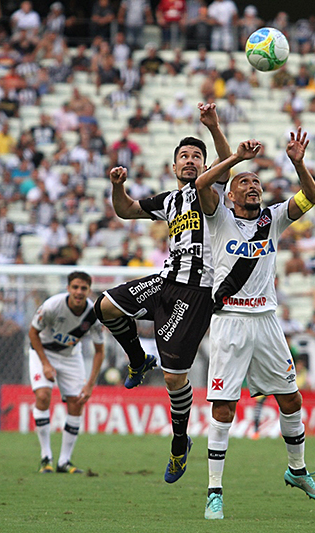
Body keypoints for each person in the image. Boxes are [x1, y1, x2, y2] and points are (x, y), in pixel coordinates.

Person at [94, 103, 231, 484]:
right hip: (165, 281)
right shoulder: (169, 201)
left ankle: (179, 441)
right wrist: (117, 186)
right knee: (105, 307)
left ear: (205, 166)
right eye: (184, 157)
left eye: (196, 157)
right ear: (173, 167)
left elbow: (227, 163)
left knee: (174, 380)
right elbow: (125, 211)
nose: (190, 161)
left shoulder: (213, 193)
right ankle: (138, 361)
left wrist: (214, 127)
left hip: (197, 292)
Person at [193, 130, 315, 519]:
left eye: (256, 182)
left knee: (291, 399)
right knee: (223, 407)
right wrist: (235, 158)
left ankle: (297, 470)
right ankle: (214, 492)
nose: (253, 186)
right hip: (231, 320)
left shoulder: (274, 219)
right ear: (230, 194)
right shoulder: (217, 218)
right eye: (244, 183)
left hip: (266, 320)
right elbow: (202, 183)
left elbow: (312, 197)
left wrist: (298, 162)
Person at [28, 271, 105, 475]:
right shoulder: (52, 306)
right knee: (43, 396)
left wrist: (90, 385)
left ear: (89, 291)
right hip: (42, 352)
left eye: (83, 288)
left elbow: (99, 352)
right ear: (68, 288)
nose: (79, 292)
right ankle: (46, 458)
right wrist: (45, 364)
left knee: (77, 403)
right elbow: (32, 333)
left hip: (71, 356)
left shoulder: (94, 316)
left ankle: (64, 461)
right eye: (75, 287)